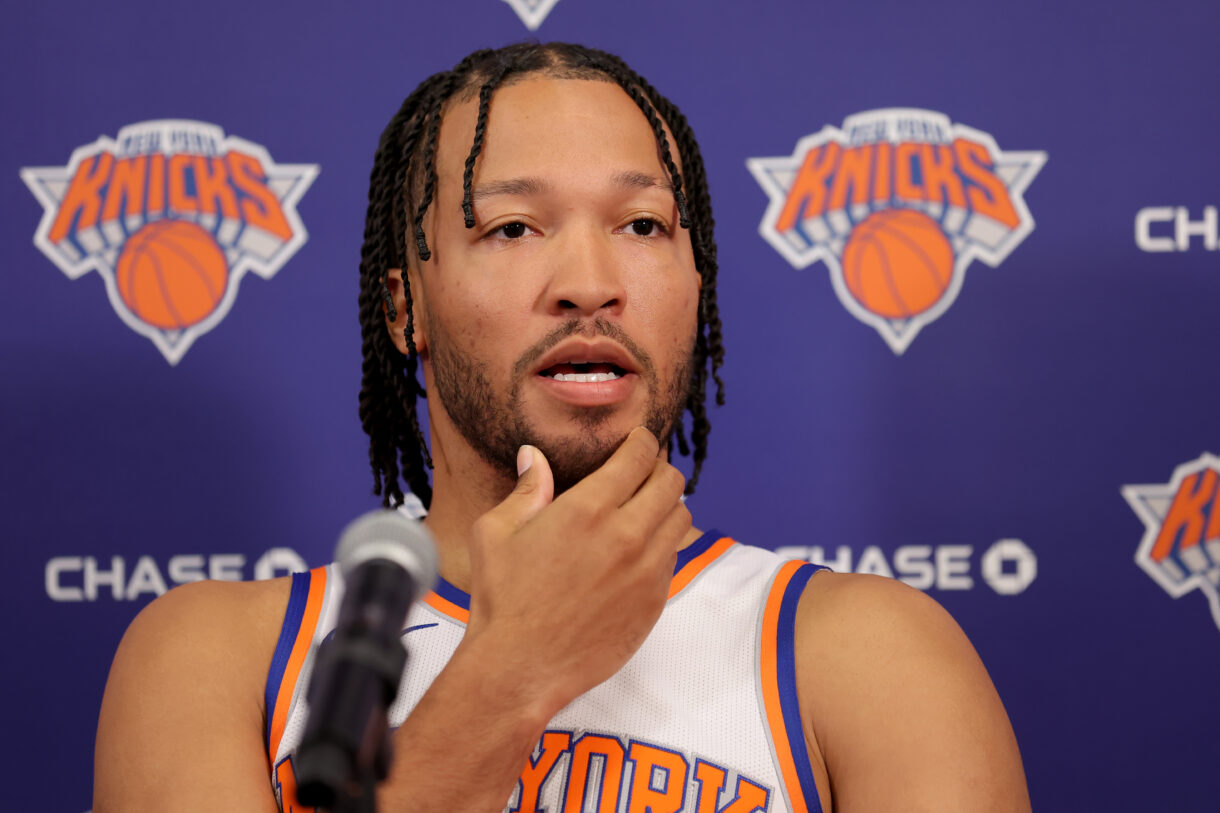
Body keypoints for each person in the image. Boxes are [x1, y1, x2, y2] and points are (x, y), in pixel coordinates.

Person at [93, 42, 1032, 812]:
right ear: (404, 308)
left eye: (643, 225)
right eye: (513, 227)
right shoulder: (218, 659)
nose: (590, 283)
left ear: (696, 289)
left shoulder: (867, 655)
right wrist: (512, 669)